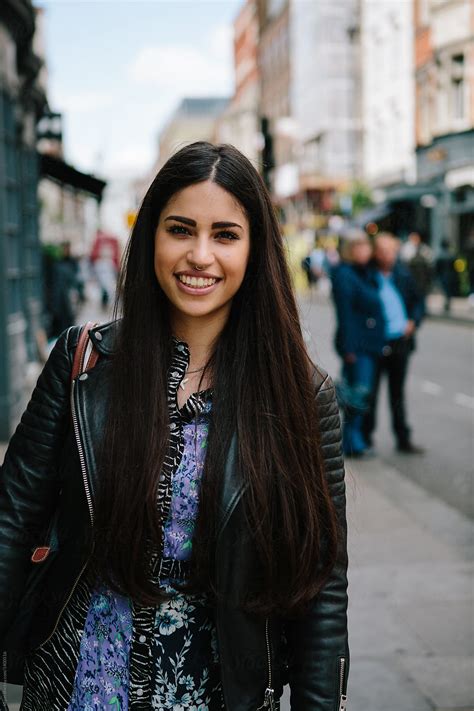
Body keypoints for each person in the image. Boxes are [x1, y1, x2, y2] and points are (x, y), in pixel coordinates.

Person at [0, 142, 349, 710]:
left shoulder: (301, 398)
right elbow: (11, 523)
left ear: (256, 249)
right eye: (181, 230)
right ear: (151, 239)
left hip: (220, 692)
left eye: (226, 235)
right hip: (77, 686)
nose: (200, 256)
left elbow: (323, 585)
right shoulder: (82, 363)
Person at [362, 232, 425, 454]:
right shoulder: (367, 275)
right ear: (375, 253)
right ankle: (366, 439)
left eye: (392, 251)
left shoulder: (402, 274)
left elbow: (418, 302)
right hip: (376, 342)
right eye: (383, 251)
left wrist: (413, 322)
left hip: (400, 341)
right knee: (371, 393)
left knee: (397, 394)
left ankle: (403, 439)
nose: (388, 256)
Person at [331, 230, 385, 458]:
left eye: (366, 246)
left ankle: (353, 439)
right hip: (358, 345)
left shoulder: (365, 273)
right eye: (359, 247)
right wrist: (349, 348)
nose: (364, 251)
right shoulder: (344, 274)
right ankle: (352, 442)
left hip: (370, 344)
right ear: (350, 250)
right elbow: (346, 315)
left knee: (359, 393)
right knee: (358, 395)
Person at [399, 231, 434, 303]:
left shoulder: (423, 248)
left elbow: (430, 259)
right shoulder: (406, 248)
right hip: (411, 276)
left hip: (422, 278)